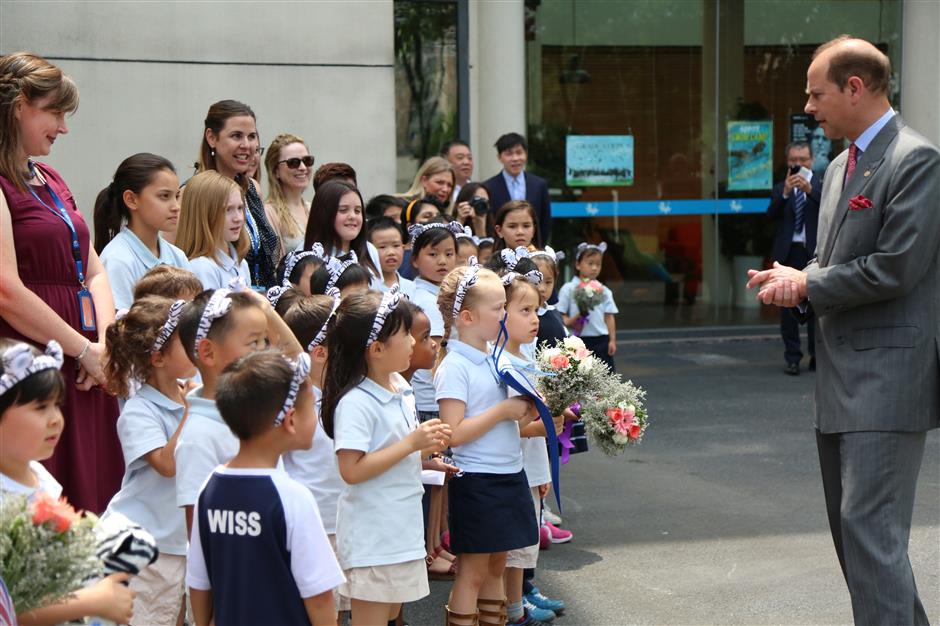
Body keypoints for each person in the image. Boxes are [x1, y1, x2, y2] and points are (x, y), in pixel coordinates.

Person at [746, 36, 939, 625]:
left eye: (816, 92)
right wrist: (796, 276)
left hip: (886, 381)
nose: (808, 105)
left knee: (870, 540)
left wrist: (808, 285)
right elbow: (834, 265)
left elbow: (895, 268)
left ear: (856, 88)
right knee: (862, 545)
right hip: (840, 384)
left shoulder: (915, 159)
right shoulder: (836, 170)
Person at [0, 51, 122, 514]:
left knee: (94, 491)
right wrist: (83, 350)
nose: (63, 127)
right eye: (54, 112)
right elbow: (6, 289)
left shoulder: (49, 176)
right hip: (33, 360)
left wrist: (105, 346)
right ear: (17, 107)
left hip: (83, 362)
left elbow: (93, 269)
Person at [320, 290, 451, 626]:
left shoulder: (397, 387)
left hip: (400, 528)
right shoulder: (357, 401)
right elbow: (351, 469)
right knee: (372, 618)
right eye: (405, 334)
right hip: (374, 535)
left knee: (391, 613)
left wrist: (423, 451)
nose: (413, 341)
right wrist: (410, 445)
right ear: (376, 349)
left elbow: (390, 452)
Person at [187, 351, 345, 626]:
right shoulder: (292, 497)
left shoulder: (209, 489)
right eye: (313, 407)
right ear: (290, 420)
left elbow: (199, 582)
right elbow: (319, 597)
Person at [0, 339, 136, 625]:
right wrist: (94, 601)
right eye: (40, 408)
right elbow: (13, 608)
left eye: (56, 406)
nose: (55, 420)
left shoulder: (38, 475)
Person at [434, 265, 539, 626]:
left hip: (509, 473)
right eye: (497, 307)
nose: (503, 314)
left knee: (496, 567)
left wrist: (537, 413)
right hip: (477, 480)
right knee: (473, 571)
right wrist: (504, 411)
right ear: (467, 317)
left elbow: (512, 421)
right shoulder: (456, 365)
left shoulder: (498, 357)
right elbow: (452, 432)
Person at [175, 287, 303, 535]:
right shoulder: (198, 436)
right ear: (208, 352)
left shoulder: (259, 406)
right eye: (253, 342)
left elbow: (300, 368)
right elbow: (199, 532)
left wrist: (267, 310)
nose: (264, 351)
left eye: (265, 341)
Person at [102, 297, 195, 626]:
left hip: (175, 542)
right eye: (187, 340)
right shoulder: (140, 410)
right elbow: (168, 465)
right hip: (143, 545)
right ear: (157, 358)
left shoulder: (189, 393)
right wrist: (190, 412)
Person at [488, 257, 567, 626]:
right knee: (514, 545)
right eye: (525, 310)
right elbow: (511, 425)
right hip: (511, 463)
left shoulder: (527, 356)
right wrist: (545, 426)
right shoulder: (501, 362)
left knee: (527, 542)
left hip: (531, 463)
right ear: (500, 314)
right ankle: (513, 606)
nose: (536, 318)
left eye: (536, 309)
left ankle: (521, 597)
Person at [281, 293, 350, 614]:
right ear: (320, 352)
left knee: (335, 608)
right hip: (313, 522)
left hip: (345, 519)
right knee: (315, 608)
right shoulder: (299, 397)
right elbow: (295, 353)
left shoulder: (347, 391)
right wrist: (268, 313)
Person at [195, 100, 280, 289]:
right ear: (212, 138)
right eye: (236, 136)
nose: (246, 145)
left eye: (252, 136)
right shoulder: (192, 193)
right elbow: (178, 261)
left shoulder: (252, 188)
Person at [95, 153, 191, 311]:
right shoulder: (118, 260)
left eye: (176, 196)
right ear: (131, 200)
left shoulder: (177, 256)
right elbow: (121, 329)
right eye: (164, 196)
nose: (176, 206)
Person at [766, 141, 822, 376]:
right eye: (794, 161)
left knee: (816, 308)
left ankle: (816, 356)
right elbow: (770, 216)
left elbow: (830, 209)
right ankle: (792, 357)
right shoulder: (781, 187)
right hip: (789, 254)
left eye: (803, 160)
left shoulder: (821, 184)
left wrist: (809, 190)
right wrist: (787, 193)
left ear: (811, 160)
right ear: (787, 162)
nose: (798, 165)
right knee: (788, 309)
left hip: (813, 254)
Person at [406, 222, 461, 424]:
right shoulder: (428, 300)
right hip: (435, 399)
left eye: (449, 254)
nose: (442, 261)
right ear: (414, 260)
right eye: (433, 254)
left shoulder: (440, 293)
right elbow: (435, 354)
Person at [175, 170, 251, 291]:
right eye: (227, 209)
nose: (238, 218)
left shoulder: (242, 263)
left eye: (240, 208)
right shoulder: (202, 267)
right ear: (203, 215)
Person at [556, 243, 618, 373]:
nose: (594, 268)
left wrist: (612, 340)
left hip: (601, 339)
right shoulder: (568, 288)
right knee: (581, 376)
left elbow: (609, 316)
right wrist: (574, 318)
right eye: (590, 263)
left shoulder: (604, 290)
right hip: (578, 340)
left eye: (598, 264)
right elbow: (561, 314)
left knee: (604, 375)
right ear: (578, 264)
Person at [303, 180, 380, 281]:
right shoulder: (309, 258)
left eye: (357, 211)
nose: (353, 216)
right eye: (343, 210)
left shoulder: (370, 250)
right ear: (323, 214)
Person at [483, 133, 551, 246]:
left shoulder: (539, 185)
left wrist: (539, 248)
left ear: (526, 154)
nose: (515, 158)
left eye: (519, 153)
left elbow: (545, 222)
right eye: (509, 154)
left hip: (533, 249)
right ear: (499, 157)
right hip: (500, 249)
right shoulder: (489, 187)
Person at [264, 134, 314, 256]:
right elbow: (274, 267)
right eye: (293, 162)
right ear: (276, 171)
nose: (303, 168)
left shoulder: (313, 208)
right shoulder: (268, 213)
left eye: (307, 161)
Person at [368, 216, 416, 299]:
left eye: (396, 245)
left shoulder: (412, 287)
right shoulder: (366, 287)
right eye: (382, 247)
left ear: (403, 247)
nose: (391, 252)